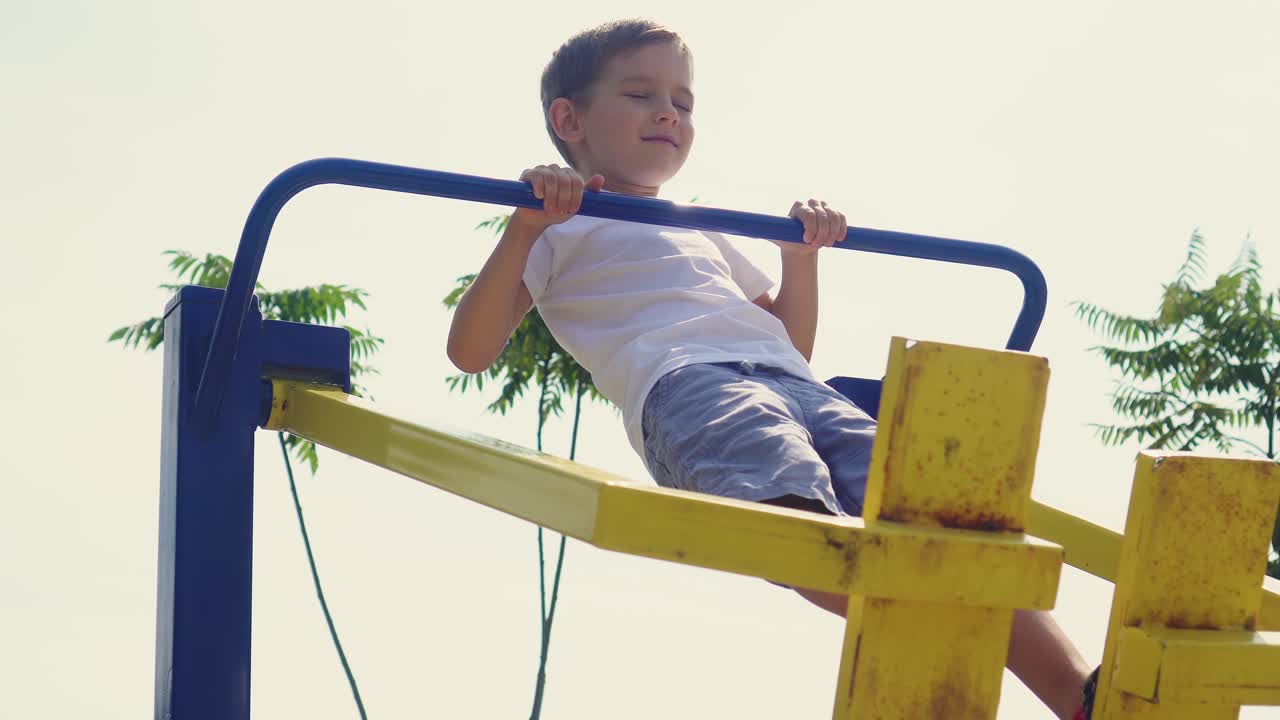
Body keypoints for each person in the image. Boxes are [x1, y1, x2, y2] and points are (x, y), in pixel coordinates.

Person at [447, 18, 1096, 719]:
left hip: (792, 381)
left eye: (683, 102)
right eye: (639, 94)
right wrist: (524, 225)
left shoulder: (699, 221)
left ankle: (1082, 691)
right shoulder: (558, 226)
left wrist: (800, 260)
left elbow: (791, 342)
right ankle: (916, 613)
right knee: (787, 507)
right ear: (569, 119)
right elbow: (470, 350)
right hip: (688, 386)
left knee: (940, 508)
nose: (668, 112)